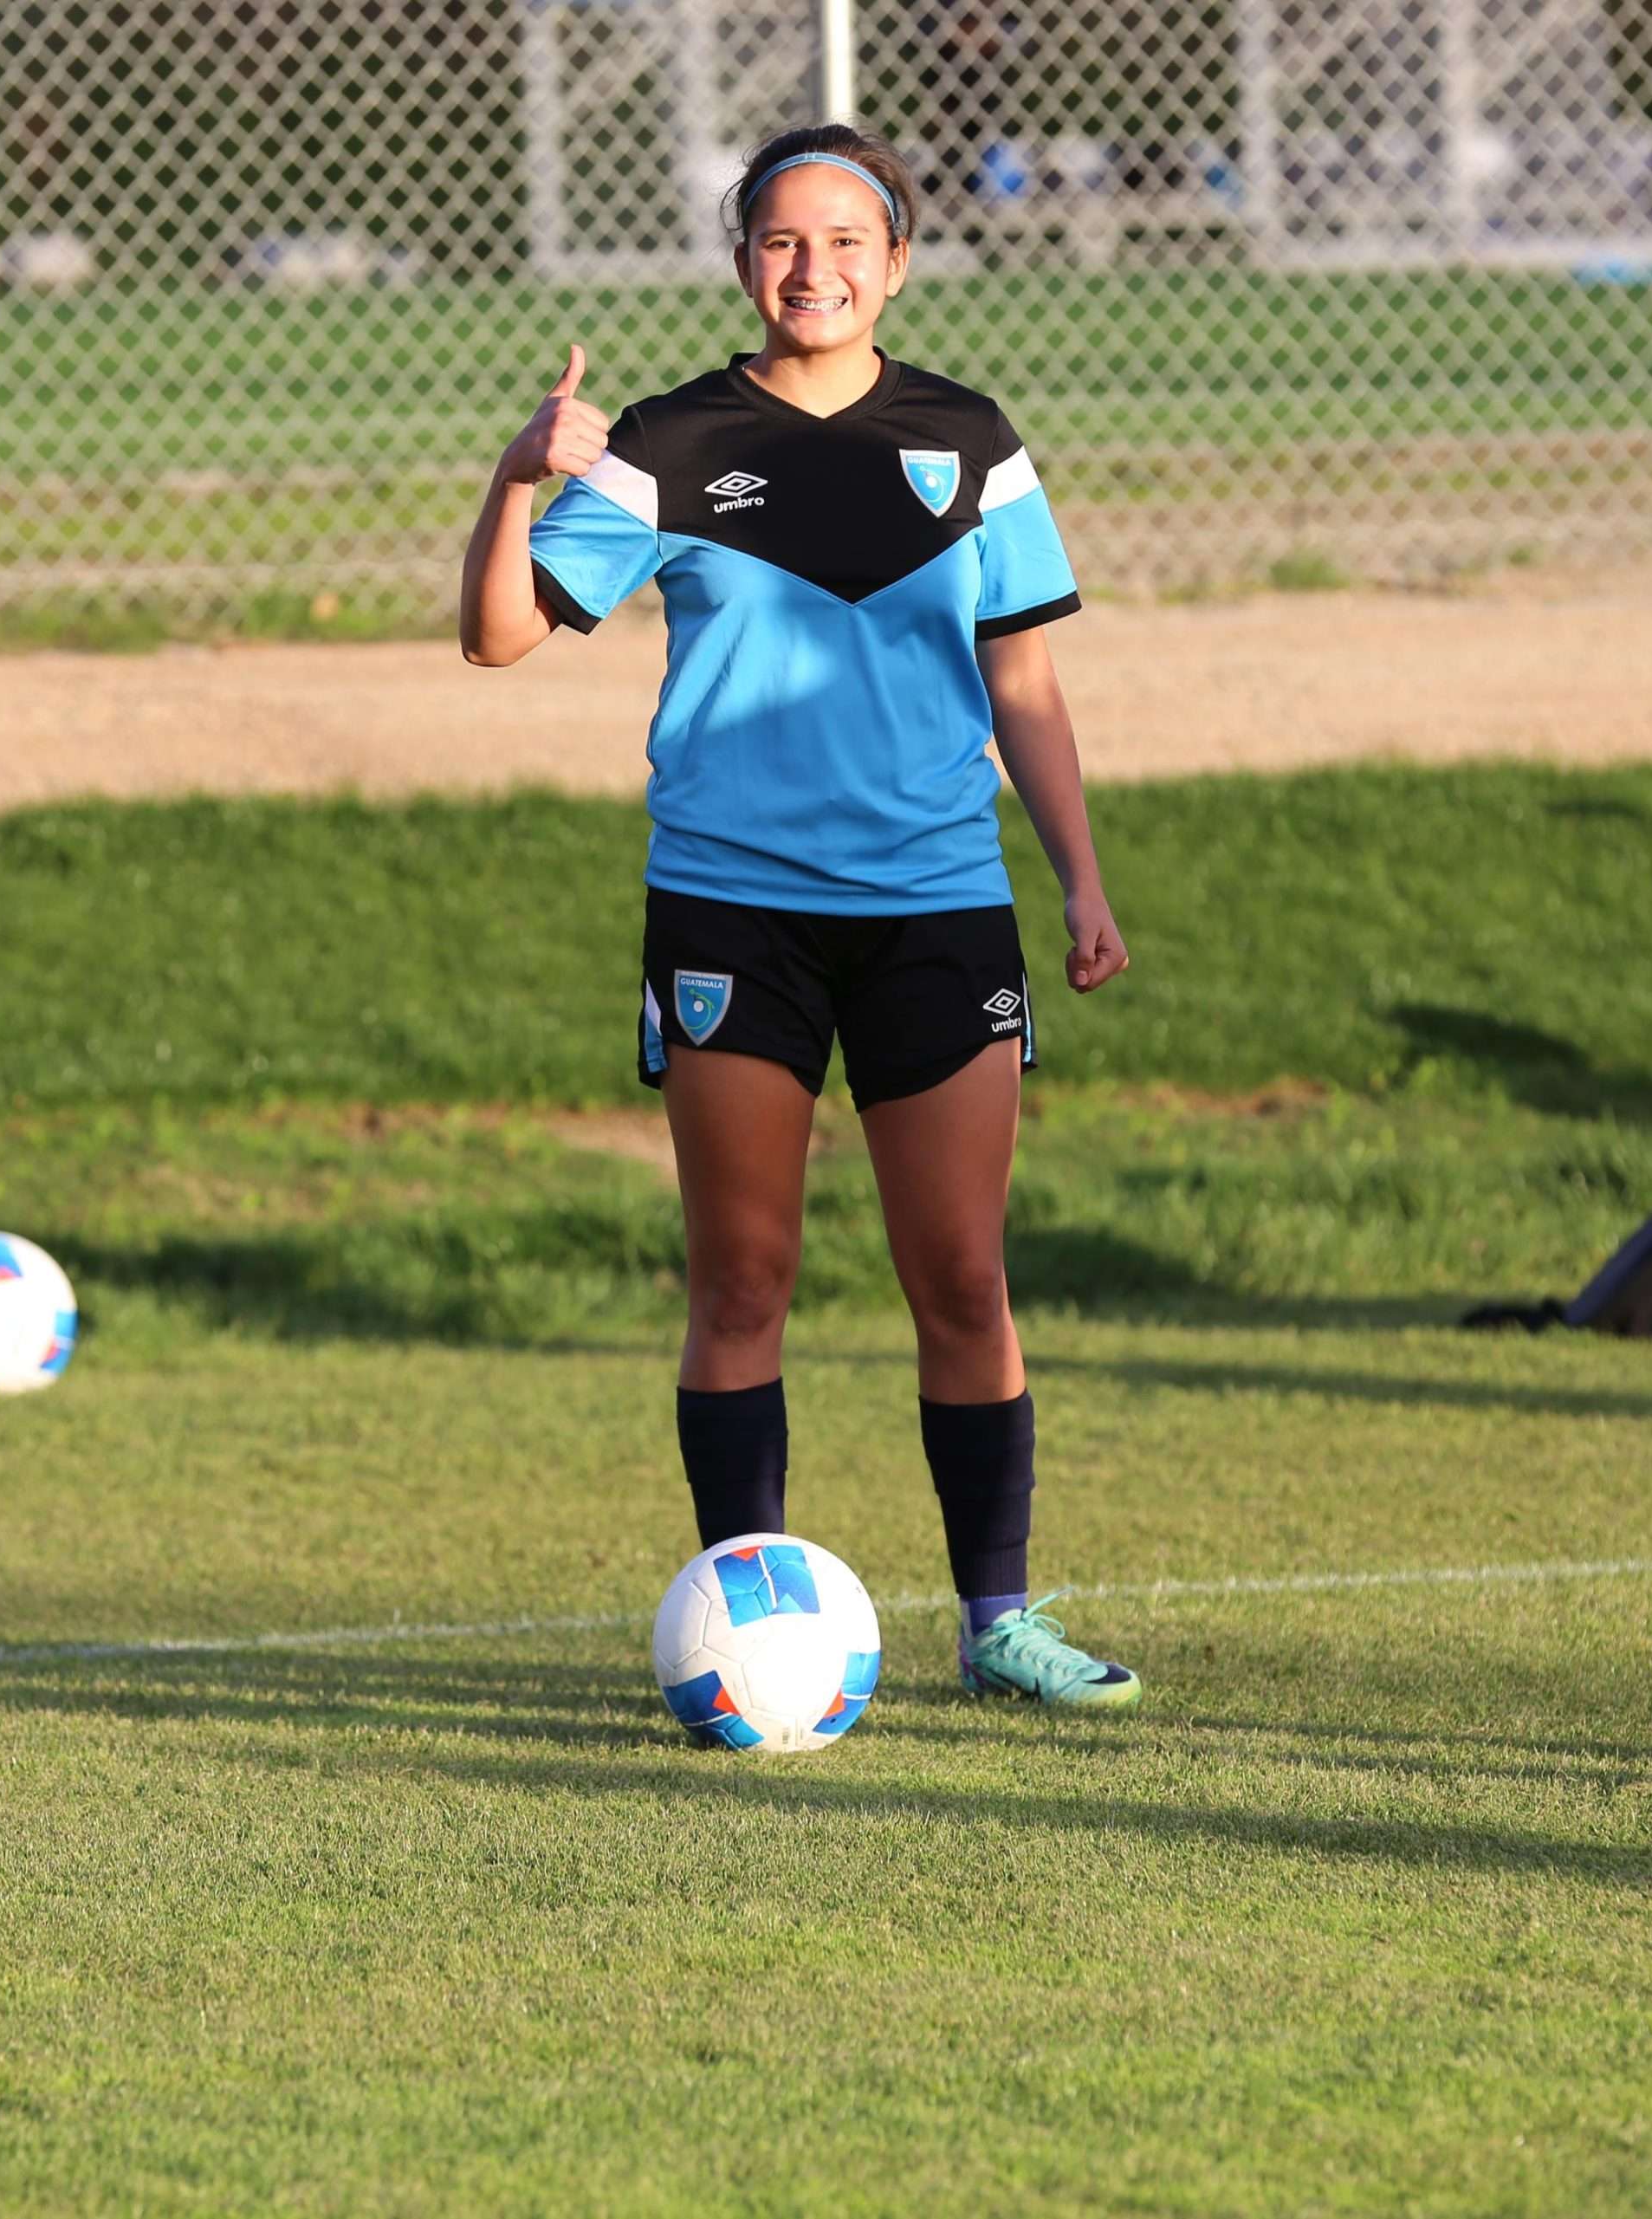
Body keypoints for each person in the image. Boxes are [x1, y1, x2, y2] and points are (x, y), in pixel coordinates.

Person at [458, 124, 1142, 1709]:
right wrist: (513, 478)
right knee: (743, 1279)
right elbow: (500, 636)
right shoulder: (672, 440)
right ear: (742, 259)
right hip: (730, 913)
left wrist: (1082, 878)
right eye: (781, 240)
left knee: (963, 1277)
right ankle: (747, 1625)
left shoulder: (971, 442)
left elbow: (1024, 681)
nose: (813, 268)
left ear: (896, 261)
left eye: (847, 241)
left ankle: (999, 1624)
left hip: (936, 908)